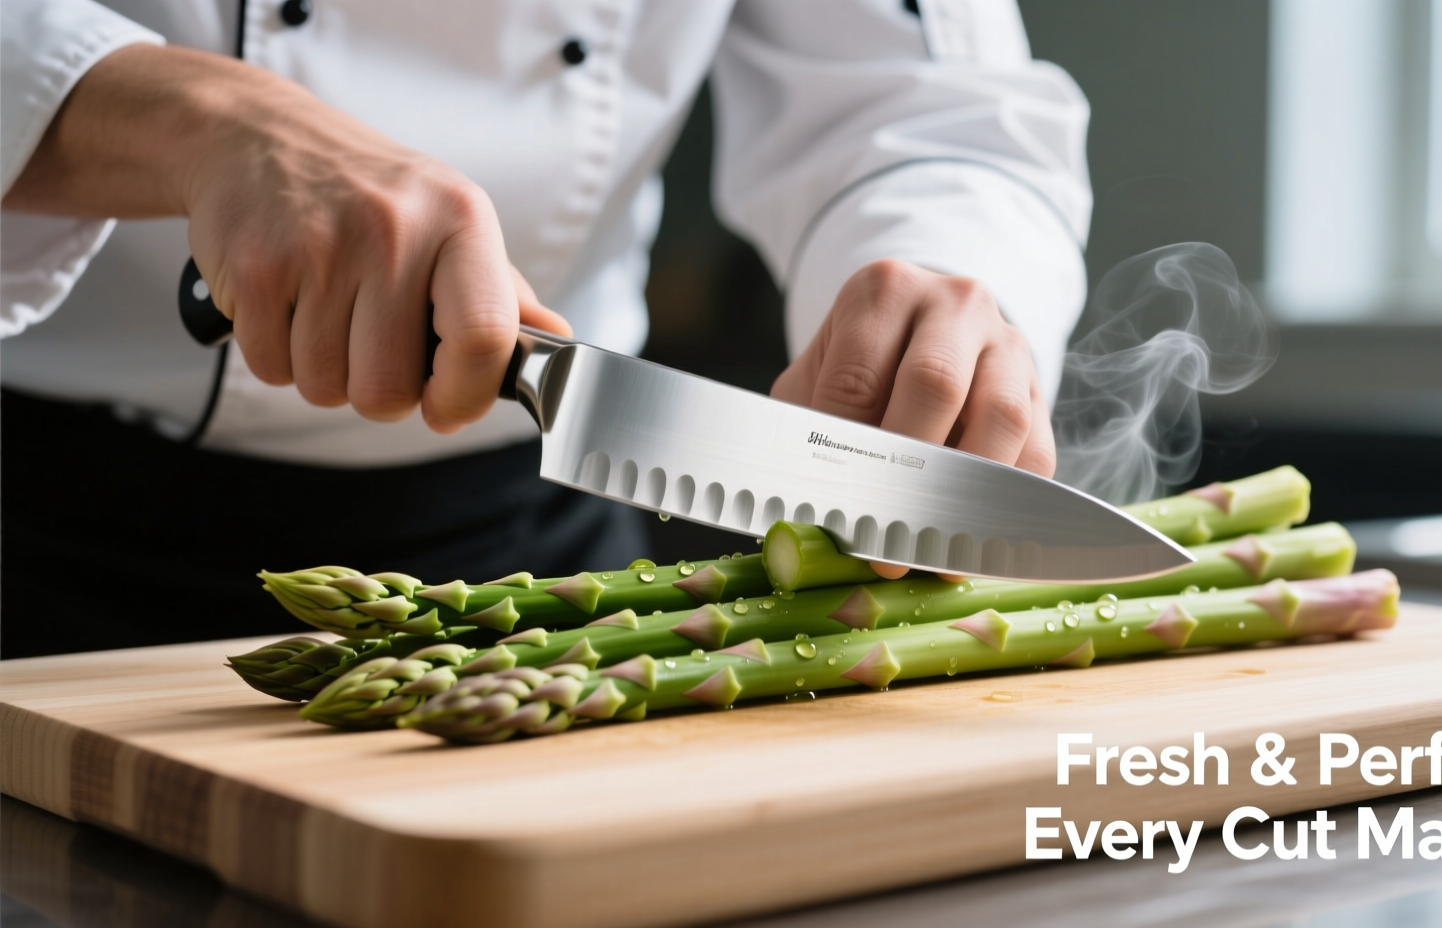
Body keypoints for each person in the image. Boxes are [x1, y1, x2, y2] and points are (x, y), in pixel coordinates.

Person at [0, 0, 1090, 656]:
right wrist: (181, 114)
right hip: (31, 520)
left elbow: (917, 93)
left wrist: (952, 271)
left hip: (530, 582)